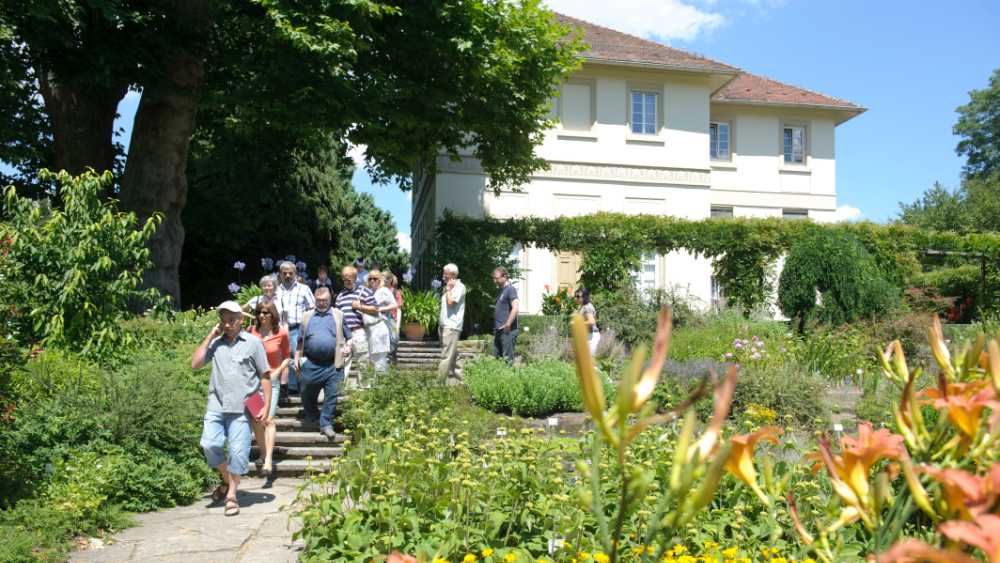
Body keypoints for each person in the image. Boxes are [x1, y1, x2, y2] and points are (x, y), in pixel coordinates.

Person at [190, 301, 271, 517]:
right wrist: (209, 337)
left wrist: (266, 406)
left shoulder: (254, 343)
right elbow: (195, 364)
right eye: (223, 321)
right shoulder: (216, 344)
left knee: (237, 452)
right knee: (209, 444)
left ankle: (231, 495)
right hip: (216, 404)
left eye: (231, 320)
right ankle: (227, 479)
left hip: (241, 407)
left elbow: (264, 377)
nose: (227, 325)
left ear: (241, 319)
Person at [295, 287, 353, 437]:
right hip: (312, 362)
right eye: (319, 301)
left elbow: (349, 337)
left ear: (330, 300)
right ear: (315, 301)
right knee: (306, 387)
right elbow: (300, 341)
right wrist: (296, 359)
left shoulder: (338, 315)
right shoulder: (307, 316)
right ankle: (311, 411)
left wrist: (348, 347)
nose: (322, 303)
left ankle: (326, 424)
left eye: (325, 300)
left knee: (332, 394)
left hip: (334, 363)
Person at [248, 299, 290, 476]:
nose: (262, 315)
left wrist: (278, 371)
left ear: (273, 314)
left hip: (271, 380)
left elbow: (287, 356)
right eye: (259, 312)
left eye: (266, 312)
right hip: (252, 380)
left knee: (269, 419)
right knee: (257, 420)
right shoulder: (250, 331)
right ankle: (263, 451)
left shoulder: (281, 333)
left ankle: (268, 459)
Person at [275, 261, 315, 397]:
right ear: (280, 275)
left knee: (294, 356)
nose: (288, 276)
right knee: (282, 357)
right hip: (278, 329)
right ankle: (286, 385)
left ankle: (294, 385)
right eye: (284, 273)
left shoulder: (303, 289)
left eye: (290, 273)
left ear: (295, 274)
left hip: (297, 328)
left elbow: (312, 308)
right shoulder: (276, 290)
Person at [336, 266, 379, 384]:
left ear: (355, 278)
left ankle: (365, 391)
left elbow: (376, 309)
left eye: (348, 279)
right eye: (344, 280)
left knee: (363, 362)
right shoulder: (341, 295)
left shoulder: (365, 291)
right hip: (344, 334)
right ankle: (340, 392)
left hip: (359, 332)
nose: (346, 282)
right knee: (342, 362)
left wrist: (360, 306)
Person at [366, 269, 397, 372]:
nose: (372, 281)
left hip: (380, 328)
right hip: (370, 329)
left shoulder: (383, 291)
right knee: (372, 360)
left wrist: (380, 309)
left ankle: (383, 384)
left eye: (375, 279)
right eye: (370, 279)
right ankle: (376, 384)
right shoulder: (367, 292)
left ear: (379, 280)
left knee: (380, 359)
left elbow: (394, 306)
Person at [438, 263, 466, 376]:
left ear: (453, 274)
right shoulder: (447, 287)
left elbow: (450, 303)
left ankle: (438, 385)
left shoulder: (460, 286)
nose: (443, 276)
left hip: (452, 326)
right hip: (444, 326)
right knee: (453, 356)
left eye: (445, 273)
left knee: (446, 356)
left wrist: (449, 290)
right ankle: (466, 383)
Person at [492, 266, 519, 366]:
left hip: (508, 331)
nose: (495, 281)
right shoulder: (500, 291)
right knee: (496, 359)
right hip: (499, 331)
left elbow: (515, 308)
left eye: (497, 278)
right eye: (494, 278)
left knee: (508, 362)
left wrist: (507, 325)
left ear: (505, 276)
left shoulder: (510, 289)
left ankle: (511, 380)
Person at [574, 288, 600, 357]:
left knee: (588, 361)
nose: (576, 298)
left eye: (578, 297)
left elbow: (591, 322)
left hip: (591, 335)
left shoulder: (587, 307)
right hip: (587, 336)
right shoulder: (583, 307)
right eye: (575, 296)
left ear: (584, 297)